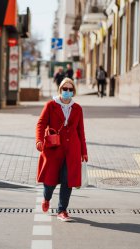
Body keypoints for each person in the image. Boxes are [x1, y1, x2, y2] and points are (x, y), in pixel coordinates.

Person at [35, 77, 88, 222]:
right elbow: (41, 124)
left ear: (74, 92)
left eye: (71, 89)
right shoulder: (50, 105)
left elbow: (80, 131)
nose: (68, 92)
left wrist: (84, 151)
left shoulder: (77, 108)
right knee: (50, 180)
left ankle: (62, 210)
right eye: (65, 89)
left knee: (67, 180)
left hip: (72, 150)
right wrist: (39, 139)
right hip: (53, 149)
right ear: (60, 90)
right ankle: (46, 198)